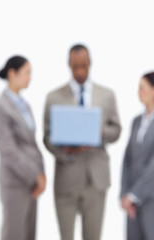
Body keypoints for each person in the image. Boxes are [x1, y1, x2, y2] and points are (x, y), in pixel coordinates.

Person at [43, 44, 121, 240]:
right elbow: (46, 136)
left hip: (96, 179)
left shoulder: (107, 95)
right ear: (69, 64)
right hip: (66, 178)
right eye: (75, 66)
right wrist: (66, 151)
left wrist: (100, 132)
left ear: (90, 64)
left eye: (83, 66)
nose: (79, 71)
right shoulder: (54, 97)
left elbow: (117, 129)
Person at [0, 55, 46, 240]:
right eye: (27, 73)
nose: (30, 77)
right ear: (12, 73)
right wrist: (35, 175)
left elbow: (31, 144)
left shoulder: (25, 106)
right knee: (14, 234)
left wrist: (41, 174)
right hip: (15, 181)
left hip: (31, 182)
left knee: (29, 234)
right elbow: (8, 150)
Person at [120, 71, 154, 240]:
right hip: (132, 199)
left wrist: (134, 194)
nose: (139, 92)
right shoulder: (137, 120)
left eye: (143, 88)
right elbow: (127, 159)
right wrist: (125, 194)